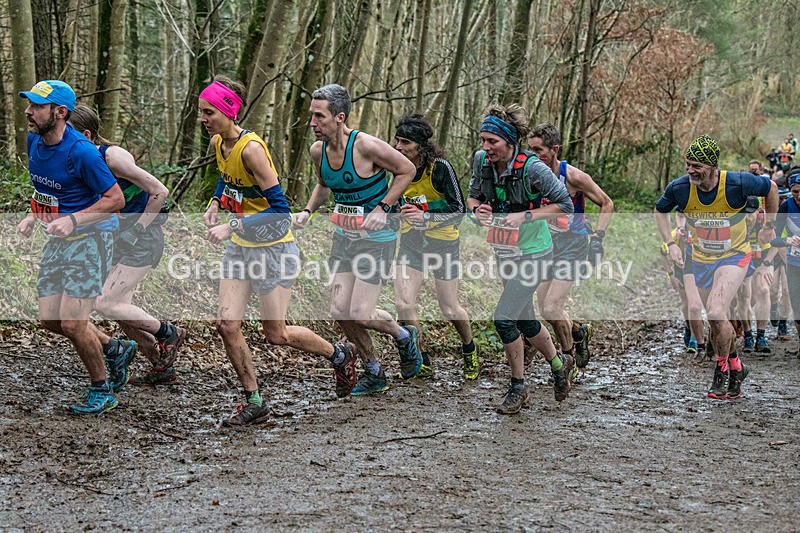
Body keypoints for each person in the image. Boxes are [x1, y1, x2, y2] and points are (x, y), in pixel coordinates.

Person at [200, 76, 356, 426]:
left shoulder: (252, 148)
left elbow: (280, 210)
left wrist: (232, 225)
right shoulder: (218, 143)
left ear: (228, 111)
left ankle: (339, 354)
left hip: (273, 250)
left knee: (276, 334)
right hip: (240, 250)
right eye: (201, 112)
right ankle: (254, 400)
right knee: (227, 324)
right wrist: (214, 201)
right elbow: (228, 176)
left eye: (208, 112)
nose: (203, 118)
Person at [293, 84, 421, 395]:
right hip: (344, 238)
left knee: (362, 312)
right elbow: (324, 184)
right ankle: (373, 370)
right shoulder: (316, 151)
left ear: (339, 117)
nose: (312, 123)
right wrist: (308, 211)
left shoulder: (366, 146)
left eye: (319, 117)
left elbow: (407, 169)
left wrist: (383, 207)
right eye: (311, 116)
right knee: (339, 310)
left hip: (377, 238)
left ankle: (403, 335)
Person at [17, 80, 129, 414]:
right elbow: (49, 191)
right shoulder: (34, 141)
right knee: (50, 319)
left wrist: (74, 220)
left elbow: (116, 199)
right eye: (30, 104)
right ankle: (114, 348)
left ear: (60, 112)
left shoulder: (82, 152)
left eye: (37, 106)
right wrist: (31, 214)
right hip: (59, 239)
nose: (28, 111)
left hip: (90, 240)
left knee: (73, 324)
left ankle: (102, 390)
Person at [467, 104, 575, 414]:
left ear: (510, 141)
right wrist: (477, 211)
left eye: (492, 142)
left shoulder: (533, 168)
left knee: (503, 318)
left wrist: (524, 216)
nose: (485, 148)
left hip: (536, 253)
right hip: (506, 252)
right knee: (525, 319)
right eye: (483, 140)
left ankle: (518, 386)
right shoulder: (481, 162)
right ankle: (558, 364)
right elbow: (473, 197)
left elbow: (565, 204)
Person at [69, 105, 187, 385]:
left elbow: (160, 191)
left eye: (69, 136)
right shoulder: (78, 161)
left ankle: (168, 332)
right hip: (118, 238)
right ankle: (161, 366)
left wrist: (137, 229)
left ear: (86, 134)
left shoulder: (111, 156)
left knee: (104, 302)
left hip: (142, 238)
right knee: (122, 312)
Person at [655, 135, 777, 400]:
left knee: (715, 310)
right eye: (687, 165)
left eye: (696, 166)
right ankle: (736, 366)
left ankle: (720, 370)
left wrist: (769, 226)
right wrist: (670, 244)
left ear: (711, 166)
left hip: (734, 256)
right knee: (715, 319)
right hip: (700, 259)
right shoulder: (679, 188)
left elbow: (772, 188)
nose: (690, 171)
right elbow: (659, 210)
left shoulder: (736, 182)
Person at [391, 113, 478, 379]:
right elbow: (394, 204)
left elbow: (459, 210)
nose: (398, 147)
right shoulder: (396, 168)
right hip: (411, 243)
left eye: (405, 142)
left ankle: (469, 348)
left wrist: (425, 216)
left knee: (449, 308)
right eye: (397, 140)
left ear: (420, 146)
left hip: (443, 244)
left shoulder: (440, 167)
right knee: (404, 304)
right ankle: (422, 359)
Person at [527, 122, 614, 370]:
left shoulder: (574, 177)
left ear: (554, 150)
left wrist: (597, 237)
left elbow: (607, 203)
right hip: (546, 245)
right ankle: (579, 331)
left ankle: (568, 360)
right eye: (530, 150)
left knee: (553, 307)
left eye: (539, 151)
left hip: (573, 246)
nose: (534, 156)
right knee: (546, 309)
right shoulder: (531, 175)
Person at [772, 169, 800, 355]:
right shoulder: (786, 207)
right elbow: (773, 239)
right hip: (795, 263)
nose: (799, 195)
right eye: (795, 191)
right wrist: (788, 241)